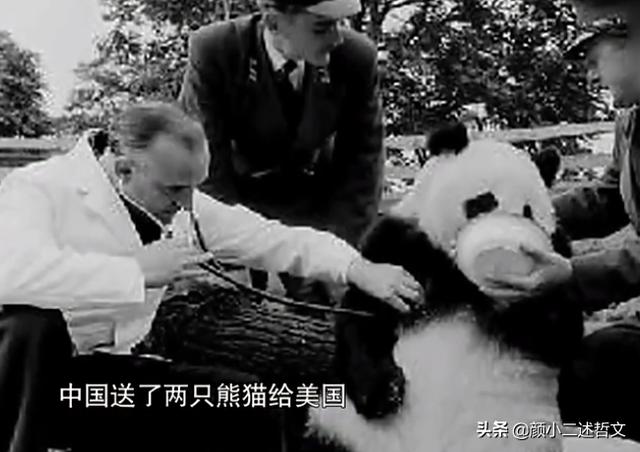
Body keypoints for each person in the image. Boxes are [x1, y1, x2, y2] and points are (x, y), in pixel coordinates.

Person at [0, 102, 421, 452]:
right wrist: (134, 272)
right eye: (174, 190)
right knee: (32, 326)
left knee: (247, 402)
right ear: (125, 170)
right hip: (17, 383)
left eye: (193, 187)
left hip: (92, 383)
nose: (187, 204)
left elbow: (272, 238)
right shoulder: (37, 188)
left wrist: (358, 268)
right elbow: (11, 274)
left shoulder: (179, 202)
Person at [484, 1, 640, 441]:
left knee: (602, 366)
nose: (590, 76)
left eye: (594, 59)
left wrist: (572, 275)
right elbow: (608, 199)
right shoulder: (631, 117)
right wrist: (523, 218)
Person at [177, 0, 385, 304]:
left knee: (328, 306)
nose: (337, 38)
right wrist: (228, 257)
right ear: (274, 23)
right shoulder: (216, 49)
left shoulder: (356, 57)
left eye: (339, 24)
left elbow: (363, 165)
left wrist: (340, 256)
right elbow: (204, 161)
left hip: (315, 202)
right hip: (236, 199)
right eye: (322, 27)